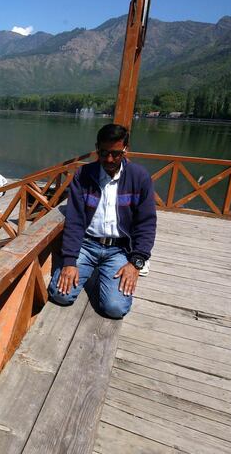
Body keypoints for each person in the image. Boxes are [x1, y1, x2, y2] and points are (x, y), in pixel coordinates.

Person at [47, 123, 156, 318]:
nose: (109, 159)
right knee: (60, 295)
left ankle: (102, 275)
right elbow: (75, 220)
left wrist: (136, 263)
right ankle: (89, 270)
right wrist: (70, 261)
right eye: (103, 153)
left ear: (126, 149)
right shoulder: (84, 175)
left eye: (116, 153)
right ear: (97, 148)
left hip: (119, 249)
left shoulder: (139, 177)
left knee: (115, 309)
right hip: (87, 245)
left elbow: (146, 223)